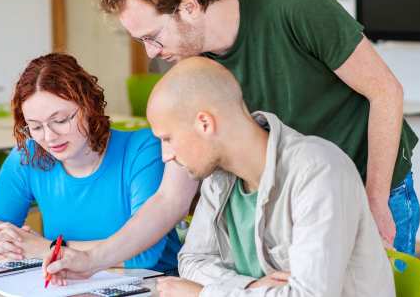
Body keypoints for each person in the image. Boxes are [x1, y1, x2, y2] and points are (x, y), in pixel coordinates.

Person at [43, 0, 420, 279]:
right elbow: (171, 197)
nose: (152, 52)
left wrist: (375, 200)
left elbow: (386, 92)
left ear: (189, 7)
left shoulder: (295, 8)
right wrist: (94, 260)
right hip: (291, 202)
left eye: (153, 36)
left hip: (367, 186)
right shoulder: (194, 71)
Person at [149, 57, 395, 297]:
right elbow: (191, 261)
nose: (165, 156)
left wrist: (204, 293)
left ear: (204, 123)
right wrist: (250, 287)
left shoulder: (318, 171)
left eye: (167, 139)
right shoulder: (218, 179)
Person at [0, 53, 180, 273]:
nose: (49, 136)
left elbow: (143, 254)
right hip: (69, 282)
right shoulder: (29, 155)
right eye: (35, 127)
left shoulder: (142, 149)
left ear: (88, 106)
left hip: (151, 284)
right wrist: (8, 241)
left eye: (60, 121)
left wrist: (46, 248)